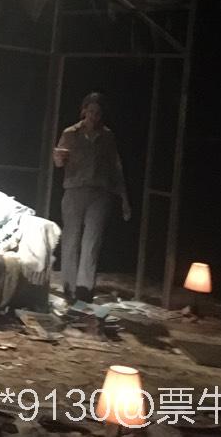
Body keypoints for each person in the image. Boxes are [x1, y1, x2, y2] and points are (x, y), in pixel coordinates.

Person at [53, 92, 131, 303]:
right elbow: (59, 162)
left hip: (99, 193)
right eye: (91, 111)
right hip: (75, 190)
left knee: (92, 241)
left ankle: (84, 289)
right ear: (84, 110)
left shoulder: (107, 136)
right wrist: (58, 157)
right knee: (71, 239)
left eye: (98, 113)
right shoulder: (71, 133)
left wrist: (123, 198)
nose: (94, 116)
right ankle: (68, 287)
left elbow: (116, 168)